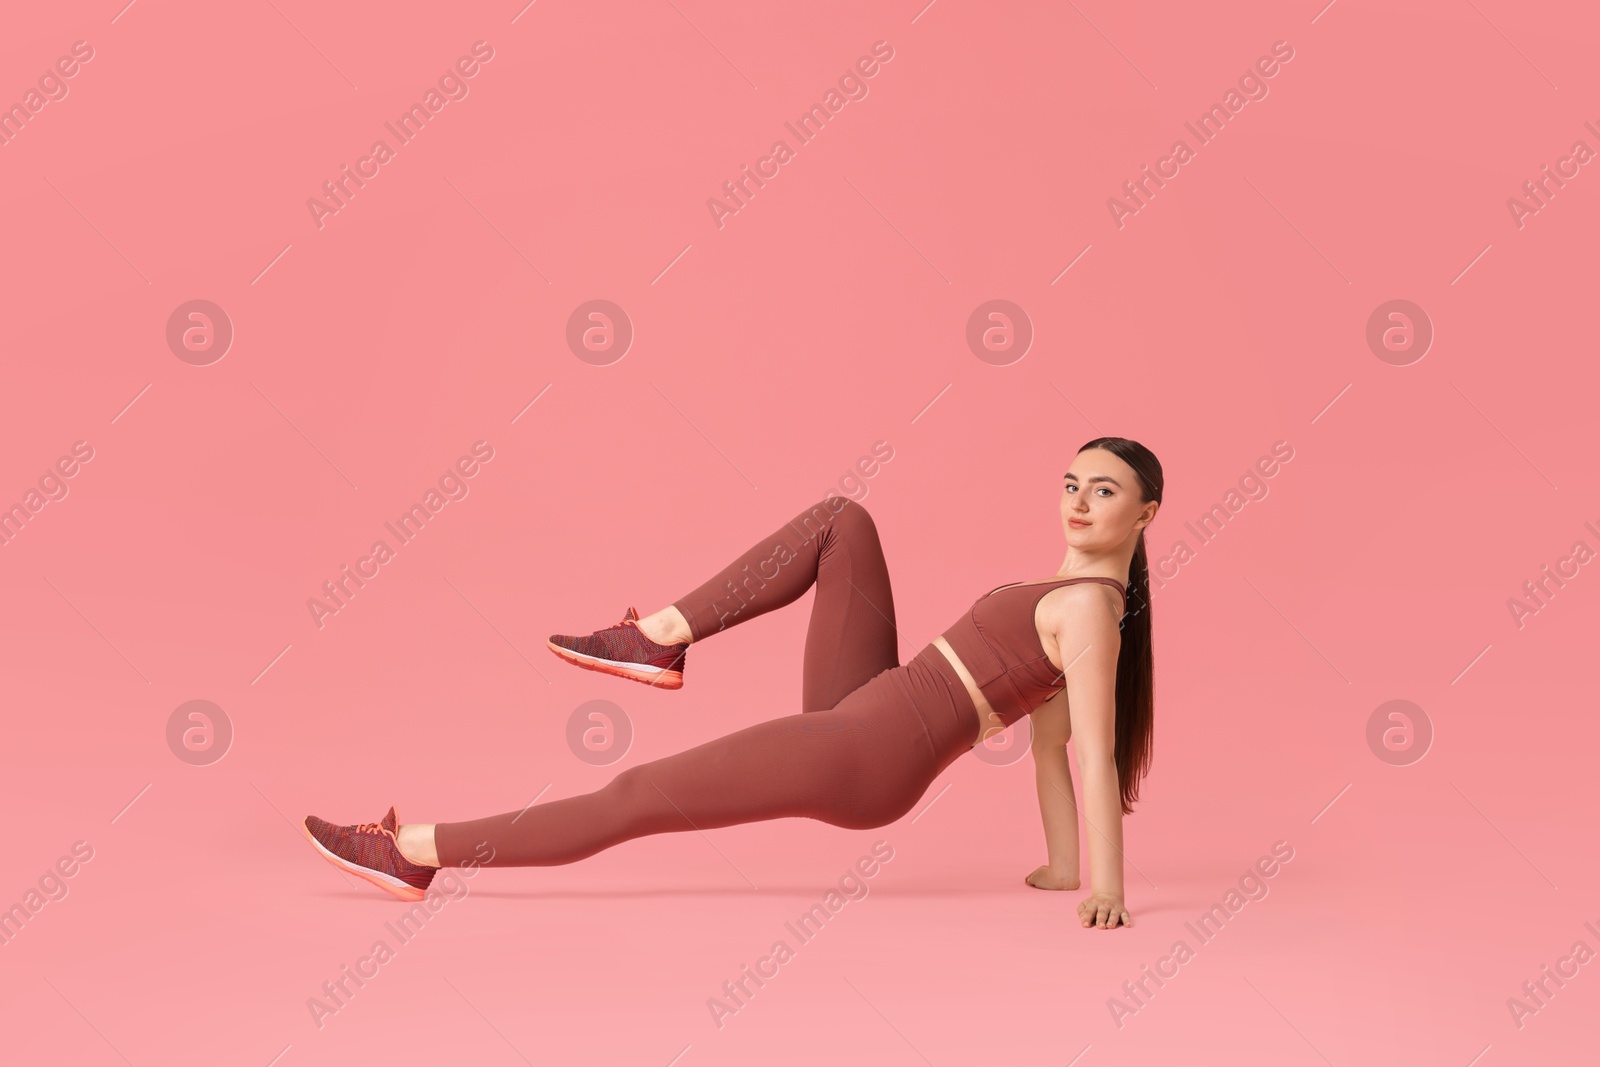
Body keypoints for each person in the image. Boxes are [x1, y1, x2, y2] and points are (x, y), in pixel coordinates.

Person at [302, 437, 1161, 930]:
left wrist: (1106, 889)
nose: (1079, 502)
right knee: (842, 521)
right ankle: (658, 637)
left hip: (870, 752)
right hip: (872, 702)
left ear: (1146, 513)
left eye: (1105, 490)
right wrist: (1059, 865)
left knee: (635, 792)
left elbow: (1082, 751)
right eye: (1071, 484)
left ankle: (415, 850)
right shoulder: (1071, 596)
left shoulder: (1088, 612)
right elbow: (1046, 749)